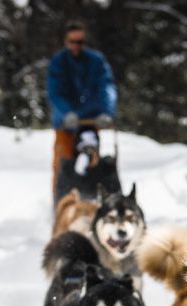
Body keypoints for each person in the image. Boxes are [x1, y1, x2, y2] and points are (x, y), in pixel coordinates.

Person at [47, 21, 117, 194]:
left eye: (80, 42)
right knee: (63, 163)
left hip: (91, 121)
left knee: (94, 161)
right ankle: (61, 201)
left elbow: (106, 86)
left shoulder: (96, 61)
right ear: (66, 41)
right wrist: (67, 112)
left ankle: (92, 197)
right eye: (73, 42)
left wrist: (107, 112)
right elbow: (55, 92)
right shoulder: (58, 62)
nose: (76, 46)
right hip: (66, 123)